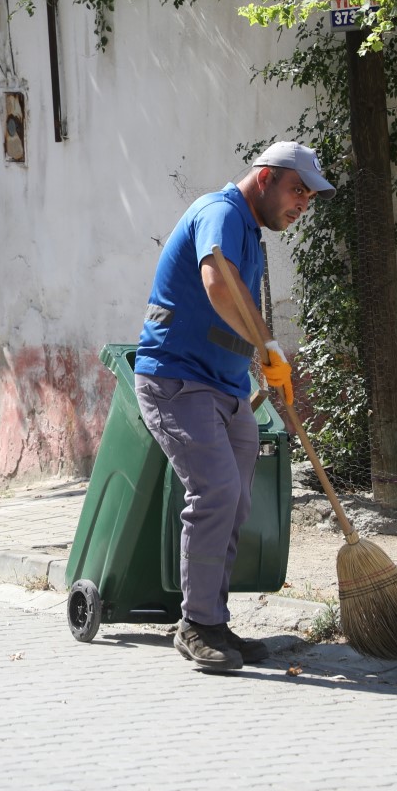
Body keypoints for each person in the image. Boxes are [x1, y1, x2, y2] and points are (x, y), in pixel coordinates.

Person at [135, 141, 333, 672]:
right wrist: (269, 349)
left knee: (235, 504)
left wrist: (264, 364)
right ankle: (195, 624)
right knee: (217, 491)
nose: (302, 205)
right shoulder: (220, 212)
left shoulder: (251, 230)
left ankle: (214, 621)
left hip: (225, 388)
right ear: (265, 178)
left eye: (310, 198)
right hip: (178, 383)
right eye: (297, 191)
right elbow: (217, 284)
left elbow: (235, 309)